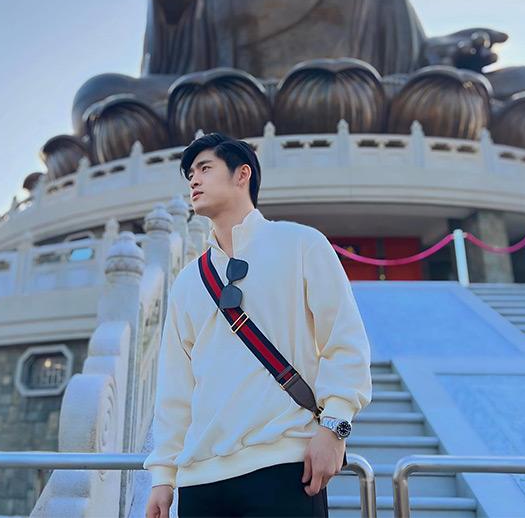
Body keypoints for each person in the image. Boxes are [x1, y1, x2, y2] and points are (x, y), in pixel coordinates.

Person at [144, 133, 373, 518]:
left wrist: (334, 428)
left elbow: (344, 341)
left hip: (284, 465)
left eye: (205, 168)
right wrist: (164, 475)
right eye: (189, 175)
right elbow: (176, 387)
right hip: (201, 481)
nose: (193, 181)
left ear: (242, 174)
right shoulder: (187, 281)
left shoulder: (301, 244)